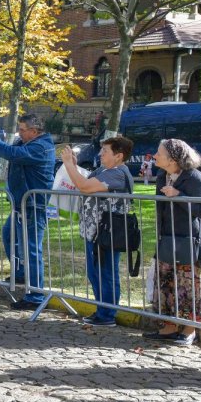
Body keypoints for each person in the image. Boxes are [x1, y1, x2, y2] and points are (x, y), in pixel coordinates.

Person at [0, 114, 56, 309]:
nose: (19, 133)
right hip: (20, 204)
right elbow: (11, 151)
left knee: (31, 249)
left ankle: (35, 295)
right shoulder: (27, 143)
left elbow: (14, 154)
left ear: (35, 131)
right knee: (8, 235)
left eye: (22, 129)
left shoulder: (40, 146)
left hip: (32, 205)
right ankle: (21, 274)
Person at [59, 136, 135, 327]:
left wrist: (68, 165)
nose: (101, 154)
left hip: (108, 232)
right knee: (95, 272)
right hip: (95, 230)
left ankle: (107, 313)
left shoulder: (118, 173)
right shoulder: (104, 170)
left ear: (119, 156)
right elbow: (83, 181)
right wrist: (74, 166)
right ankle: (101, 309)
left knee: (106, 272)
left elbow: (85, 187)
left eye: (106, 151)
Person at [144, 139, 201, 346]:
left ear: (173, 159)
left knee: (189, 286)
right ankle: (169, 326)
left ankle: (190, 329)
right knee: (165, 283)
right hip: (167, 238)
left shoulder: (194, 178)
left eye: (159, 152)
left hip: (189, 241)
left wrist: (179, 196)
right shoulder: (162, 176)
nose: (155, 156)